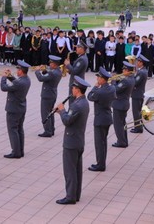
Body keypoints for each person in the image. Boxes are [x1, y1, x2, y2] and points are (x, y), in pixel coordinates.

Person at [55, 75, 90, 205]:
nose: (72, 90)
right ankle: (76, 194)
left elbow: (67, 121)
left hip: (71, 141)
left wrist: (62, 111)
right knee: (77, 170)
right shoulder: (84, 102)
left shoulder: (76, 105)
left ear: (78, 89)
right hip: (79, 140)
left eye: (74, 88)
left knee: (70, 170)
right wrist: (62, 112)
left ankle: (70, 196)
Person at [0, 60, 31, 158]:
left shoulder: (19, 82)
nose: (16, 71)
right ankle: (20, 150)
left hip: (13, 109)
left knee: (12, 130)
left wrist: (4, 77)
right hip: (21, 107)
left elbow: (3, 87)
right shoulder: (27, 79)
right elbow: (16, 82)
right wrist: (9, 76)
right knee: (19, 129)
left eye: (18, 70)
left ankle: (16, 152)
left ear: (21, 71)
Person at [87, 68, 116, 172]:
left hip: (100, 119)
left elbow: (89, 97)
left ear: (103, 79)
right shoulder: (112, 88)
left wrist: (95, 87)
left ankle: (100, 165)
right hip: (107, 117)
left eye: (98, 77)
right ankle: (101, 162)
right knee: (103, 142)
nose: (97, 79)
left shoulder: (99, 91)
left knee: (99, 143)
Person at [36, 55, 62, 137]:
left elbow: (41, 78)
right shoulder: (58, 71)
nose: (49, 65)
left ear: (54, 64)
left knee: (45, 113)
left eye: (51, 63)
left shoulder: (52, 73)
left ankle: (47, 131)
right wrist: (44, 70)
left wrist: (37, 71)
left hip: (47, 94)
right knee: (50, 112)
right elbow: (48, 73)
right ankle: (51, 129)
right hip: (52, 94)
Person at [111, 61, 136, 148]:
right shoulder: (131, 78)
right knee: (122, 124)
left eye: (124, 70)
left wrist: (113, 80)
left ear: (128, 71)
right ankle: (124, 141)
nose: (122, 71)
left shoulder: (126, 81)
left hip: (119, 104)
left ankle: (121, 142)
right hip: (123, 103)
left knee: (118, 125)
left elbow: (115, 89)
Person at [130, 54, 149, 134]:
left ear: (142, 63)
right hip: (139, 94)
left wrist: (130, 78)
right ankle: (138, 127)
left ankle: (138, 128)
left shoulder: (141, 72)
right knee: (137, 112)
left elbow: (135, 82)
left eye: (138, 61)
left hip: (137, 94)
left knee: (136, 112)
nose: (137, 63)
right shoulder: (142, 71)